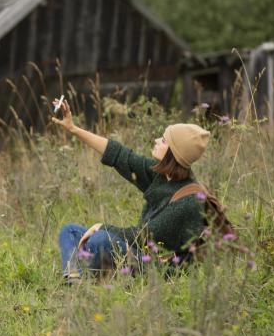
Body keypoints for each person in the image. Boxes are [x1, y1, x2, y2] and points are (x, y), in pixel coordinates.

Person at [50, 98, 210, 284]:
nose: (157, 140)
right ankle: (74, 279)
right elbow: (119, 155)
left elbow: (141, 237)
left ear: (174, 153)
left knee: (100, 240)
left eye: (164, 140)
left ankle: (90, 278)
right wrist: (73, 129)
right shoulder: (162, 175)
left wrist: (101, 227)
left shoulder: (188, 202)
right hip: (138, 252)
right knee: (70, 231)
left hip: (156, 267)